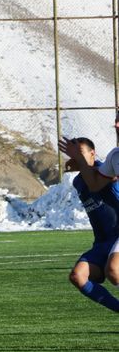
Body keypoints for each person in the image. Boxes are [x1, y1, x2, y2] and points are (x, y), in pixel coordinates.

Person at [60, 113, 119, 287]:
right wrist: (79, 160)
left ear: (92, 153)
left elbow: (110, 180)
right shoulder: (114, 157)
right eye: (116, 121)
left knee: (114, 270)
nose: (116, 125)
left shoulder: (102, 165)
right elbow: (94, 184)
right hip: (103, 241)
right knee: (79, 276)